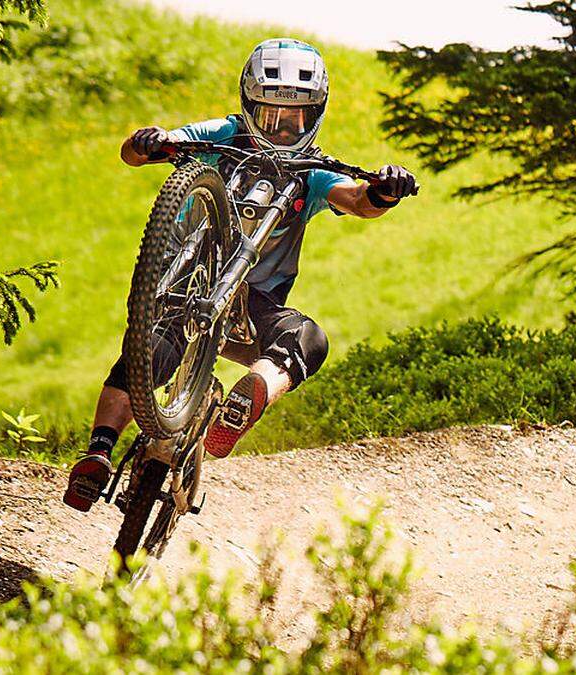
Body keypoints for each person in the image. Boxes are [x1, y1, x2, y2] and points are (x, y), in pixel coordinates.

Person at [64, 38, 417, 511]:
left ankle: (246, 400)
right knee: (145, 358)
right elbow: (138, 151)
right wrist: (151, 141)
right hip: (186, 287)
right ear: (249, 105)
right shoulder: (221, 135)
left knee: (308, 338)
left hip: (251, 309)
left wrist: (384, 191)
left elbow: (357, 201)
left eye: (295, 119)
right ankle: (98, 453)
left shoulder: (312, 171)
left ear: (315, 116)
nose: (283, 128)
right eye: (271, 115)